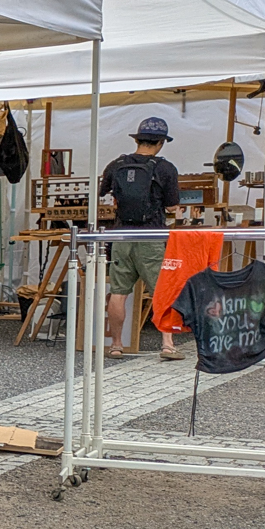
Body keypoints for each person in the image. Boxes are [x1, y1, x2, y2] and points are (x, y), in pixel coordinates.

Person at [98, 117, 181, 359]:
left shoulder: (116, 165)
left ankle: (116, 345)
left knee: (119, 292)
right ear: (161, 143)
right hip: (151, 236)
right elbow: (172, 205)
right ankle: (167, 344)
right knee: (160, 292)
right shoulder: (165, 168)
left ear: (137, 140)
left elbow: (102, 193)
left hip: (121, 235)